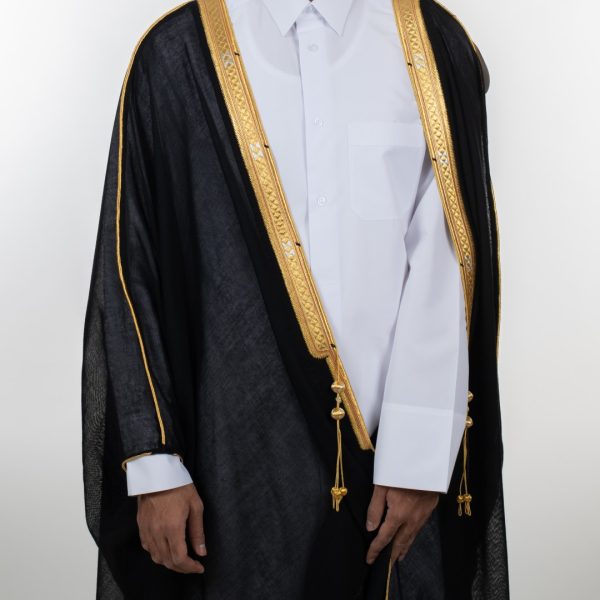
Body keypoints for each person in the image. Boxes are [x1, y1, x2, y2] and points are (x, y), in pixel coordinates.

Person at [81, 0, 507, 598]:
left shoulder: (432, 44)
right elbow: (132, 267)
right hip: (226, 455)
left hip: (394, 468)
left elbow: (448, 267)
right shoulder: (177, 53)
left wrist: (418, 458)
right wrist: (155, 465)